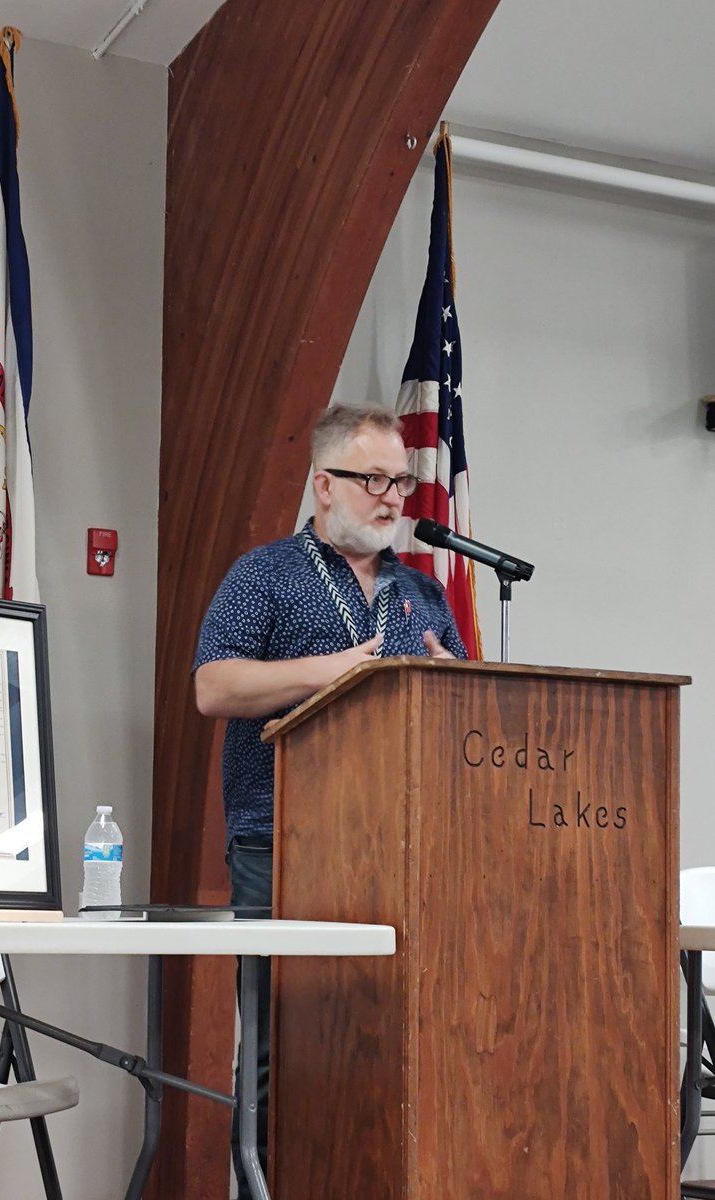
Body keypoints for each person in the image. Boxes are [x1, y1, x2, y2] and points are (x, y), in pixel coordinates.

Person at [192, 404, 468, 1196]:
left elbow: (457, 720)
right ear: (324, 483)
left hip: (400, 855)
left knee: (385, 1041)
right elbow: (213, 686)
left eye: (402, 483)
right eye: (374, 479)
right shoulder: (265, 575)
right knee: (282, 1047)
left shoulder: (423, 595)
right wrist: (330, 670)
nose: (392, 498)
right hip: (279, 845)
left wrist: (454, 694)